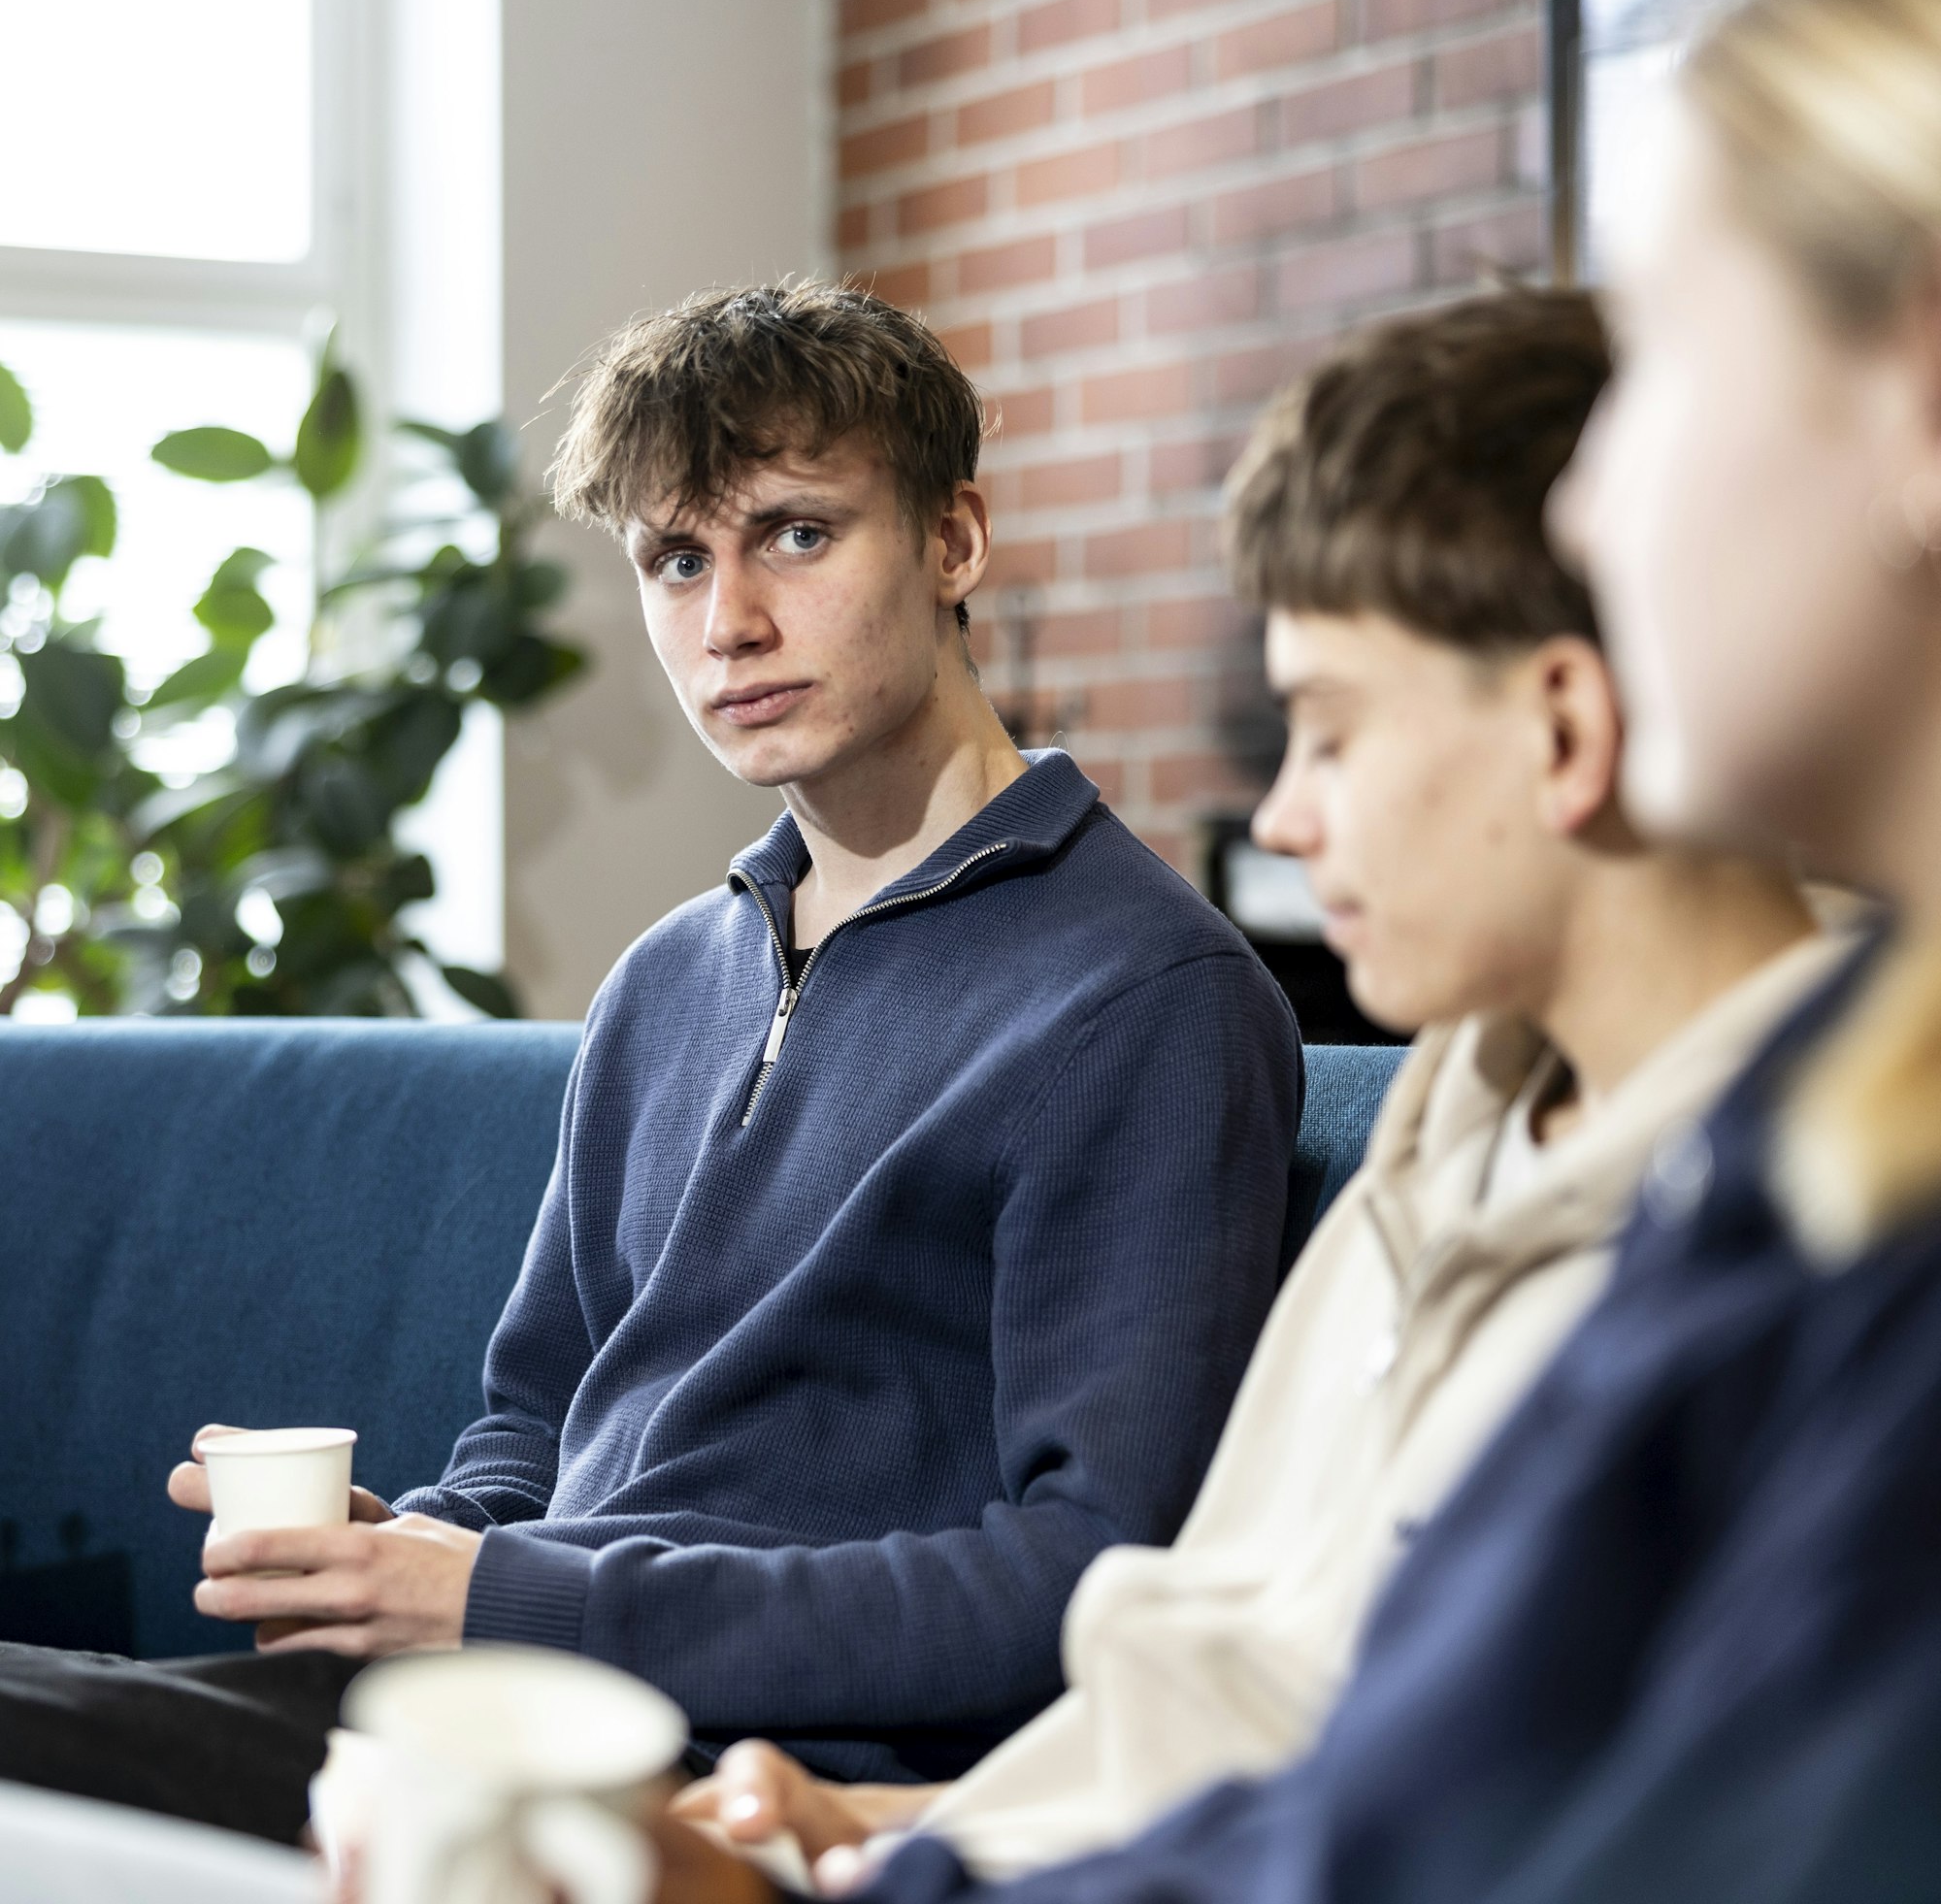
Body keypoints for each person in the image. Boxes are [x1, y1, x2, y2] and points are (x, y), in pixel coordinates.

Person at [640, 0, 1941, 1898]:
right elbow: (1267, 1731)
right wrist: (885, 1850)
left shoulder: (1798, 1228)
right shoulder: (1573, 1132)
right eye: (677, 557)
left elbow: (1402, 1821)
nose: (1596, 484)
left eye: (1662, 355)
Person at [0, 283, 1303, 1843]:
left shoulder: (1142, 994)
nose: (728, 621)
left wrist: (506, 1596)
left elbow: (1083, 1579)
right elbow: (531, 1429)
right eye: (678, 560)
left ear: (953, 540)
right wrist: (407, 1555)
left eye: (797, 536)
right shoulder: (671, 977)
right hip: (488, 1717)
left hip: (743, 1775)